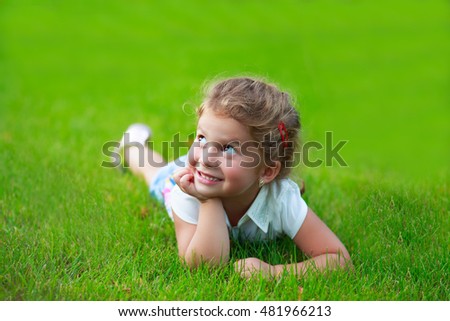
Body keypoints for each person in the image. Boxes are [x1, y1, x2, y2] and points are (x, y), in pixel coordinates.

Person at [117, 76, 351, 279]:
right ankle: (132, 145)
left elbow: (338, 259)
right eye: (201, 138)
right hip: (191, 178)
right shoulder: (187, 190)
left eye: (228, 148)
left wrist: (275, 272)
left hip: (227, 179)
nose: (206, 156)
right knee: (154, 173)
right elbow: (203, 267)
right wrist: (208, 201)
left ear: (267, 171)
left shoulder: (282, 200)